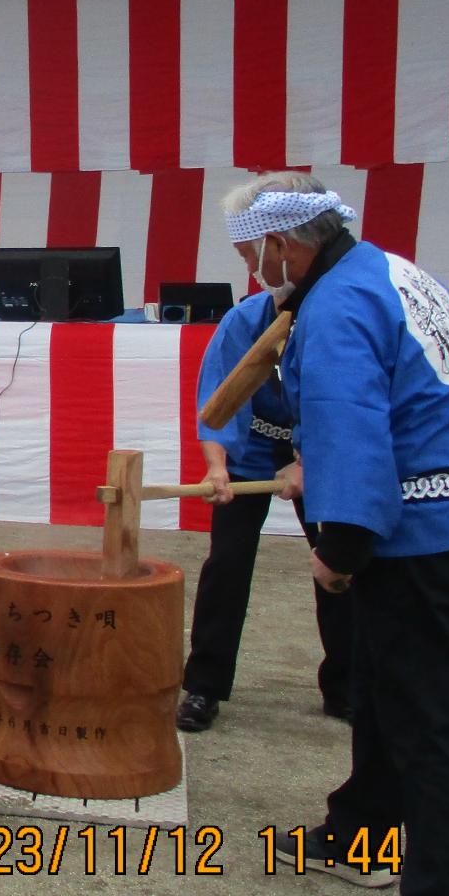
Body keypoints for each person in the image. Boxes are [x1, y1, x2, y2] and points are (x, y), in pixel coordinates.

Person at [250, 173, 449, 896]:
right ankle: (361, 836)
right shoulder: (398, 271)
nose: (256, 263)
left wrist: (341, 549)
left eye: (259, 249)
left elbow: (354, 426)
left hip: (418, 537)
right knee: (384, 689)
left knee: (421, 714)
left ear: (291, 246)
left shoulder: (333, 308)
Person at [177, 197, 353, 733]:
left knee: (338, 562)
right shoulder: (246, 319)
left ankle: (347, 684)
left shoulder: (335, 313)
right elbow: (218, 404)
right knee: (227, 563)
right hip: (254, 448)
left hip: (318, 449)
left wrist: (307, 463)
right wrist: (216, 470)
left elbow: (340, 404)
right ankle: (204, 685)